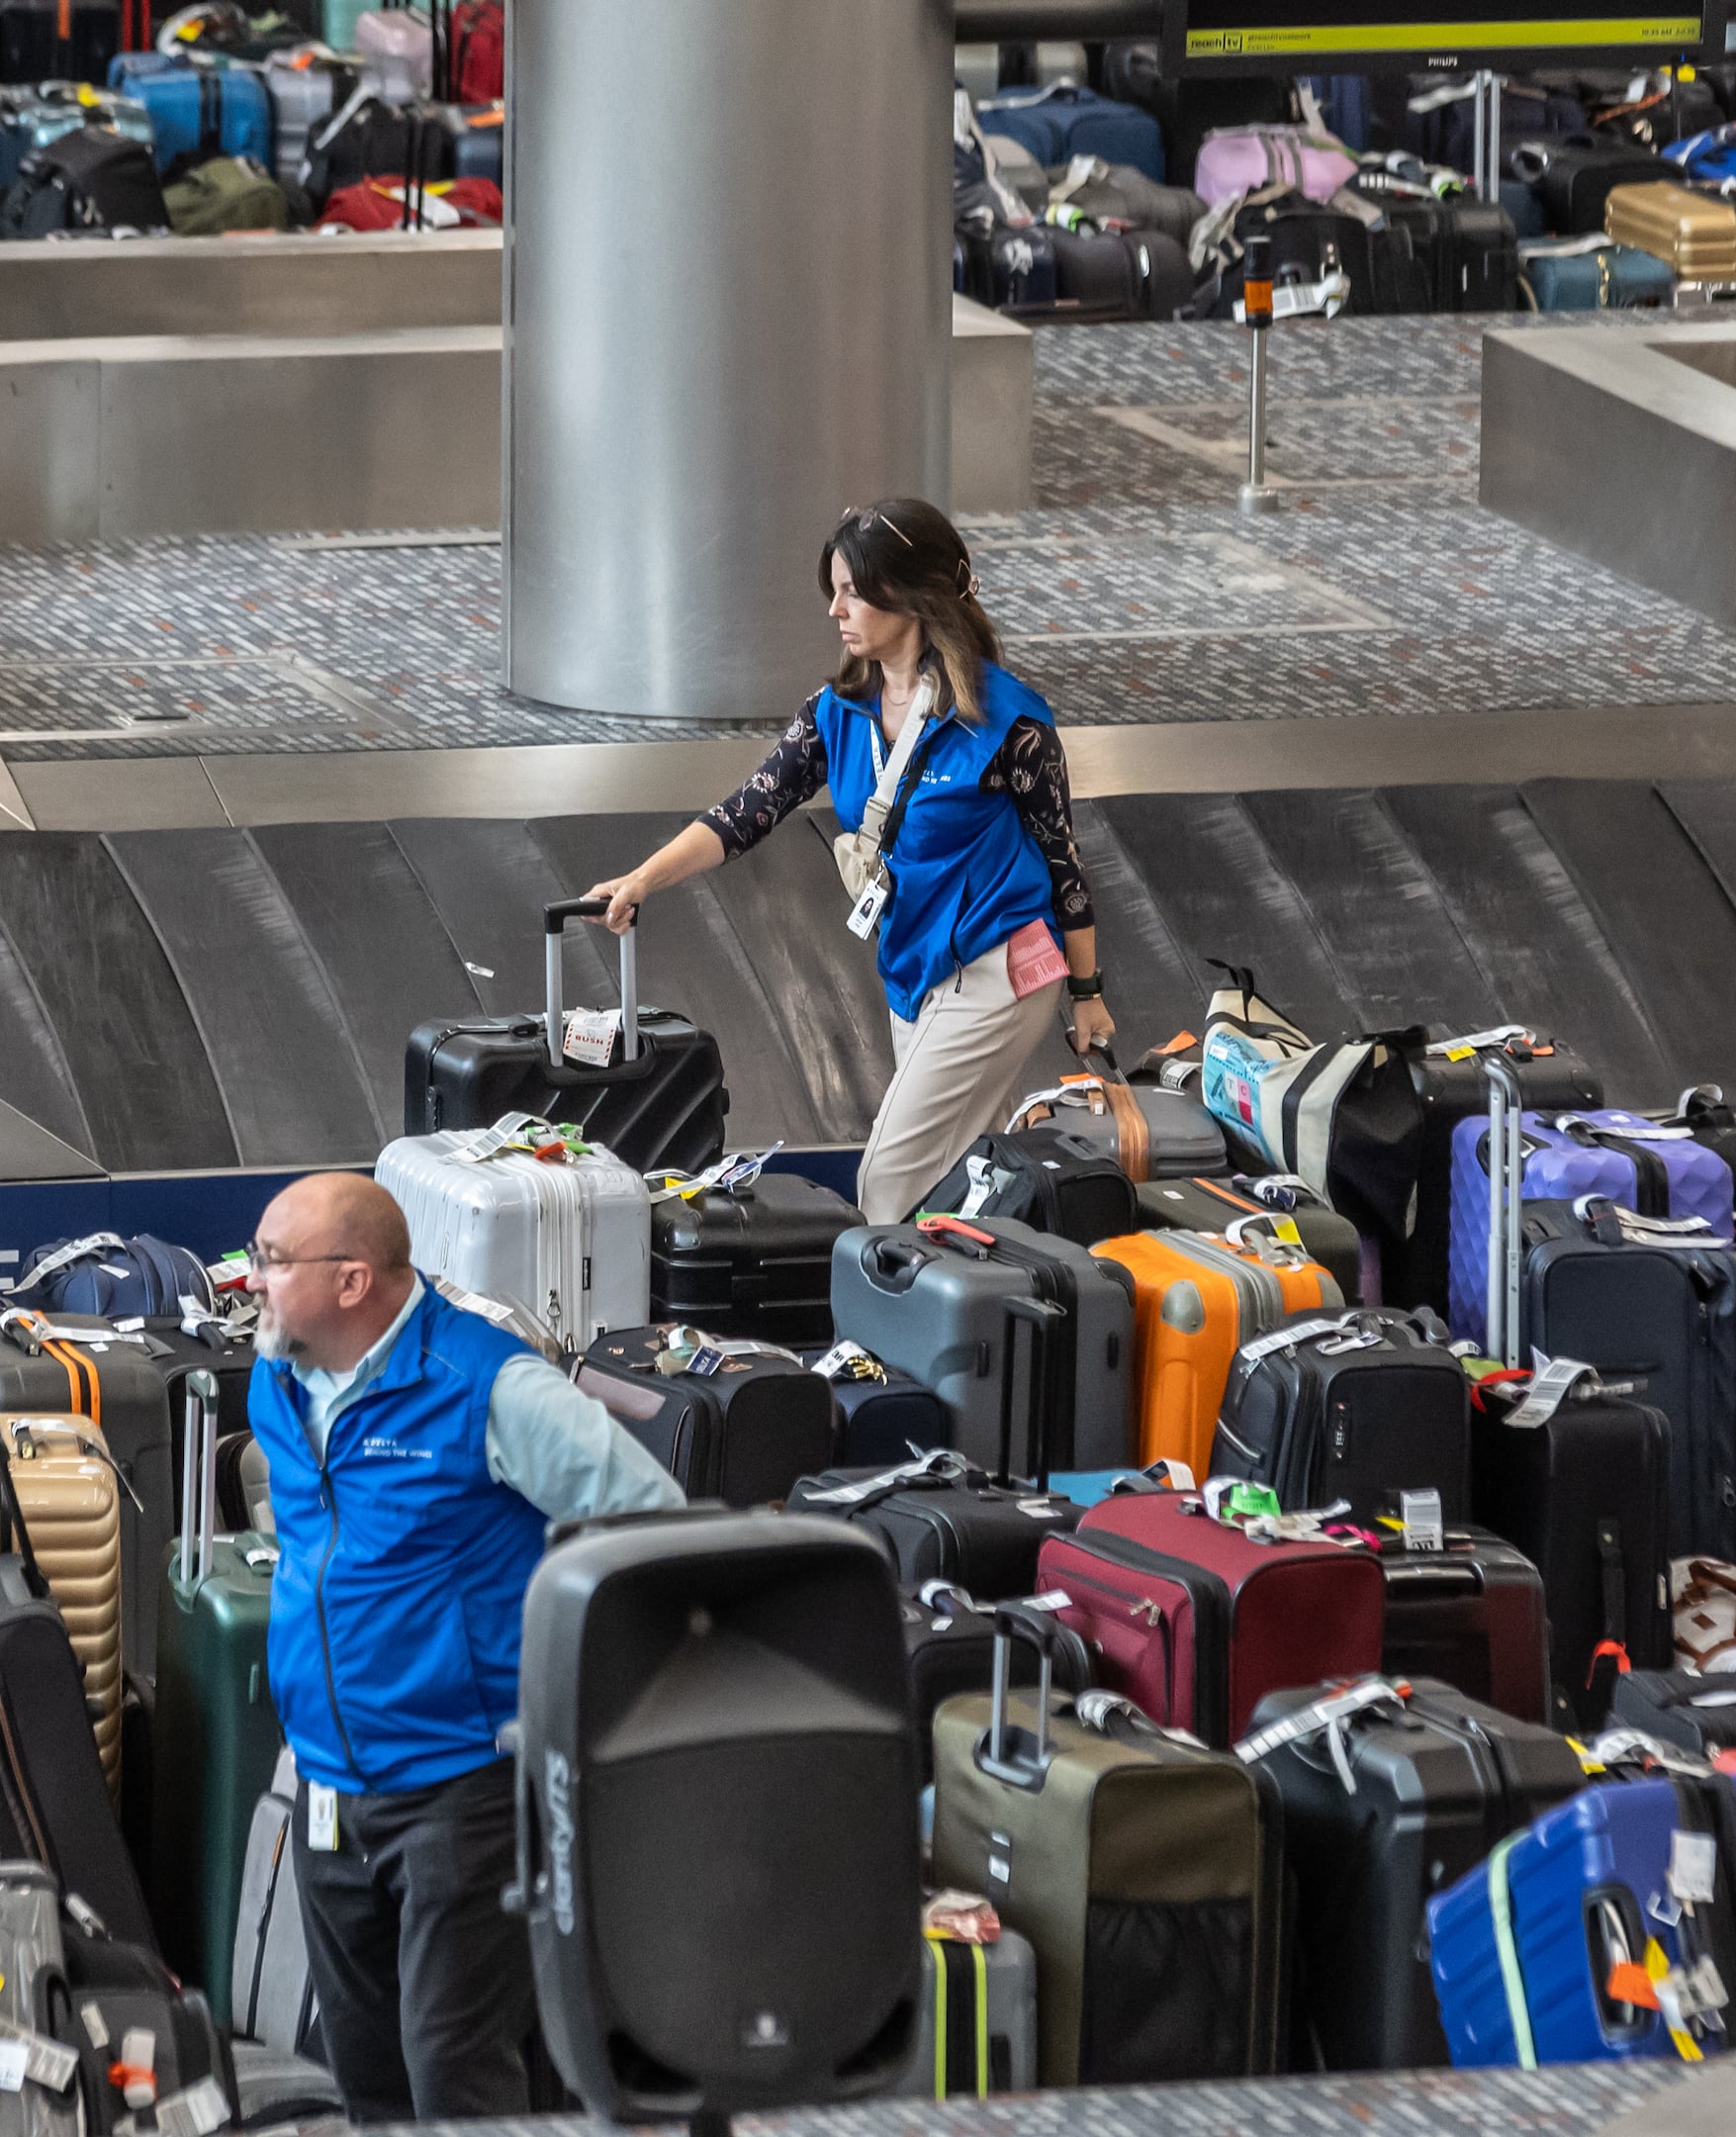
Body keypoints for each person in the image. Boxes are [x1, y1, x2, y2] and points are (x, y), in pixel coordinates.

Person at [244, 1171, 685, 2120]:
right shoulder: (277, 1376)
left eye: (273, 1263)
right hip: (326, 1784)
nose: (252, 1281)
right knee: (365, 2072)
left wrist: (577, 1713)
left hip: (461, 1796)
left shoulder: (490, 1389)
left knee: (457, 2076)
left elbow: (657, 1527)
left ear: (353, 1281)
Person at [589, 498, 1108, 1223]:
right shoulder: (838, 711)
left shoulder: (1009, 723)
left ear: (912, 594)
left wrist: (1088, 994)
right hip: (915, 972)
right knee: (959, 1177)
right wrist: (645, 878)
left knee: (889, 1182)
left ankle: (890, 1325)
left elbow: (1062, 863)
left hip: (999, 971)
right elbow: (749, 811)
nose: (835, 609)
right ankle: (986, 1317)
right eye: (832, 590)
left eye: (852, 591)